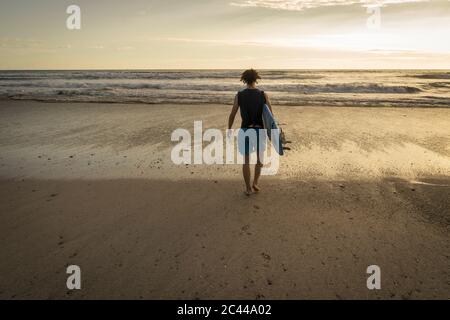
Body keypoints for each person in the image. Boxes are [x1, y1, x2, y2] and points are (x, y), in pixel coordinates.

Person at [228, 69, 274, 196]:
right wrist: (272, 133)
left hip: (245, 130)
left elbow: (232, 114)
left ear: (244, 79)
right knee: (260, 159)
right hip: (259, 130)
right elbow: (270, 116)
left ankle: (248, 188)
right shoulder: (263, 95)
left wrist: (229, 128)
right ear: (256, 79)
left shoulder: (239, 95)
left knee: (246, 160)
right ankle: (255, 183)